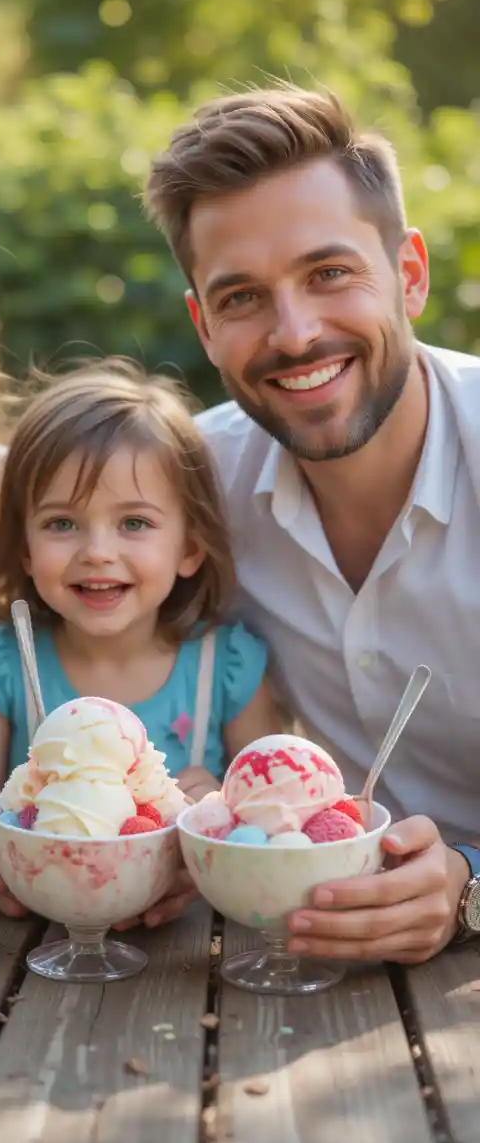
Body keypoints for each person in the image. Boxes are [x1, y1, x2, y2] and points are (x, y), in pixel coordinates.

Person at [145, 83, 480, 964]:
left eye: (330, 274)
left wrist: (470, 884)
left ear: (409, 274)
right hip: (290, 952)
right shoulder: (191, 487)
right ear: (204, 327)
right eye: (243, 298)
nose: (295, 334)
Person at [0, 360, 280, 923]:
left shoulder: (223, 665)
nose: (97, 551)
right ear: (26, 549)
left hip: (191, 949)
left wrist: (218, 813)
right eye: (61, 523)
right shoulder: (2, 661)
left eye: (134, 524)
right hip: (35, 930)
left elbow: (269, 808)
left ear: (189, 548)